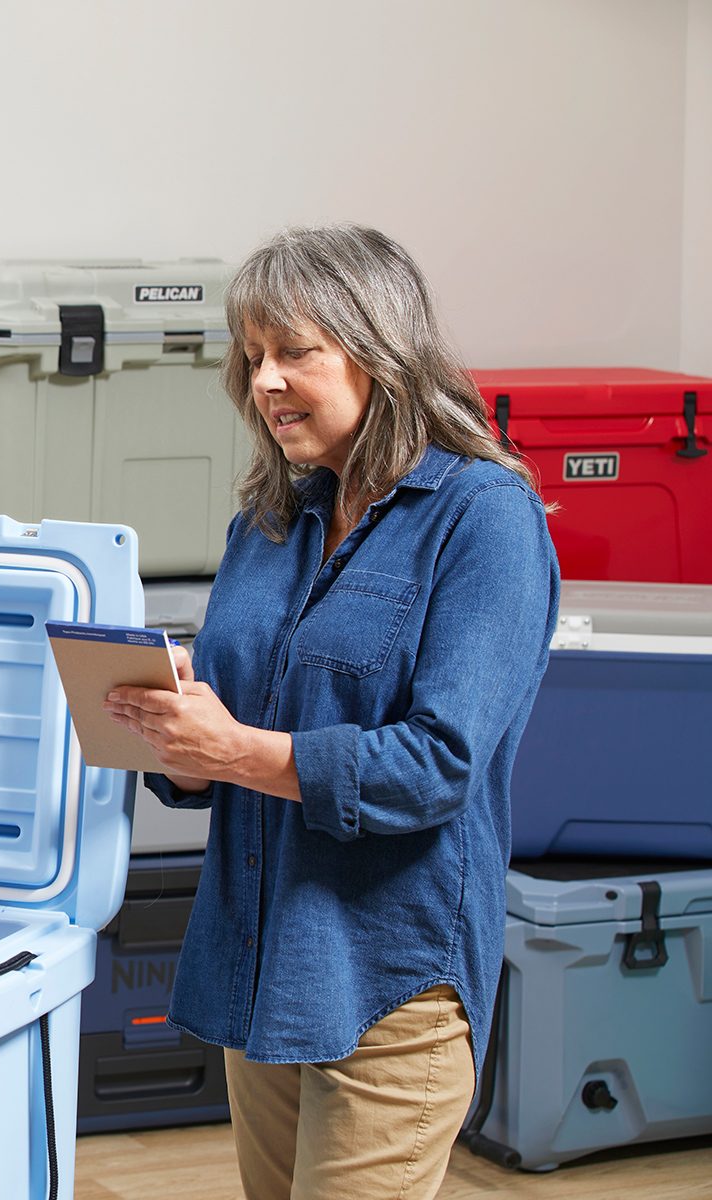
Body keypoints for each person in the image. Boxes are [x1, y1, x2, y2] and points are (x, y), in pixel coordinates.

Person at [103, 224, 559, 1200]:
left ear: (379, 352)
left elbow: (438, 763)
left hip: (389, 981)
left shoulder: (485, 520)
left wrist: (239, 748)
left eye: (294, 351)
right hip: (257, 963)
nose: (265, 380)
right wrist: (180, 738)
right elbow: (232, 739)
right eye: (253, 354)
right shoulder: (267, 522)